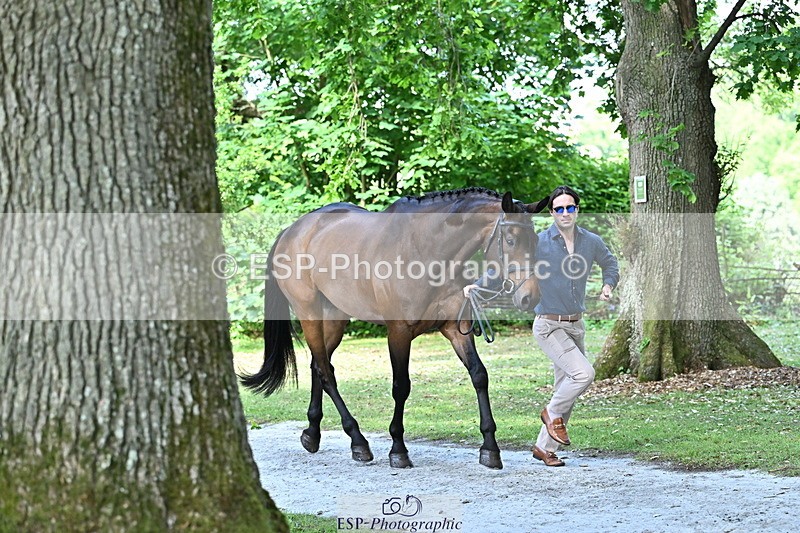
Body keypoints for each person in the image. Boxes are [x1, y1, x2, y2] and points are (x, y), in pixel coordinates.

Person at [464, 185, 619, 467]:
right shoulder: (539, 242)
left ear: (577, 210)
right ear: (552, 213)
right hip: (549, 325)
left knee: (566, 387)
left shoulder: (591, 241)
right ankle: (550, 413)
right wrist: (479, 284)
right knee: (583, 374)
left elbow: (610, 263)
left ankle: (544, 448)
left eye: (569, 207)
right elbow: (509, 265)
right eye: (559, 209)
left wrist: (608, 284)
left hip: (576, 324)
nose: (565, 213)